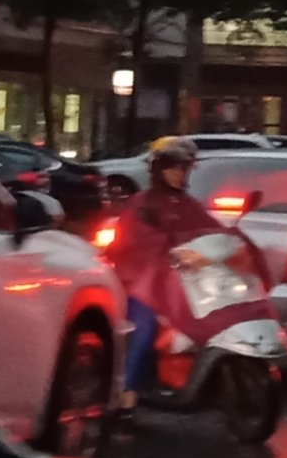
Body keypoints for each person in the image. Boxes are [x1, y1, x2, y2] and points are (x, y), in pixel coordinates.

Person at [104, 136, 266, 410]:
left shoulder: (187, 204)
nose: (181, 174)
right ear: (159, 170)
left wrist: (232, 243)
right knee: (146, 327)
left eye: (185, 168)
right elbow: (136, 243)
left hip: (180, 281)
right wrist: (171, 253)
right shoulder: (141, 204)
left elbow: (210, 229)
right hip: (142, 284)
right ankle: (127, 394)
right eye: (175, 168)